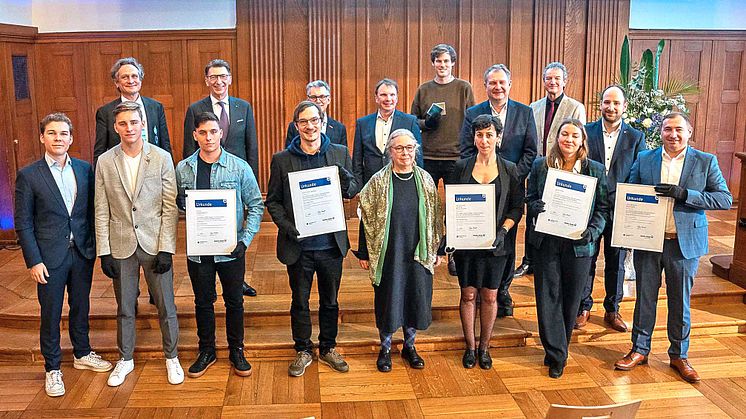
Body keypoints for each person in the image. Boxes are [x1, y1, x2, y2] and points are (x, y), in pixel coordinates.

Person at [614, 112, 732, 383]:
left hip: (683, 244)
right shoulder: (646, 159)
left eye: (679, 130)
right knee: (645, 298)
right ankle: (639, 349)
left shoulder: (705, 161)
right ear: (661, 132)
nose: (673, 135)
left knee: (680, 302)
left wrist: (686, 195)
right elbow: (629, 193)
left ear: (689, 132)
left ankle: (679, 355)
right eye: (668, 129)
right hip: (649, 242)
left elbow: (724, 199)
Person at [15, 113, 113, 397]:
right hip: (48, 257)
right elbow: (23, 222)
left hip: (81, 252)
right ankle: (52, 368)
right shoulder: (29, 175)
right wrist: (33, 260)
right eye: (53, 133)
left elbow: (94, 210)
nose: (59, 138)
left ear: (71, 138)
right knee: (51, 313)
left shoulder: (84, 169)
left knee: (81, 306)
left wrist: (94, 246)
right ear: (42, 137)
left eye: (64, 134)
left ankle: (82, 353)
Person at [266, 101, 360, 377]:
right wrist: (287, 225)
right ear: (296, 126)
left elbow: (352, 189)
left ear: (322, 121)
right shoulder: (282, 159)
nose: (310, 126)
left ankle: (328, 346)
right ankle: (303, 349)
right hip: (299, 246)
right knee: (300, 301)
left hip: (331, 244)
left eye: (314, 120)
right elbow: (273, 201)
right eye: (303, 121)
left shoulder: (339, 152)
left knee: (330, 300)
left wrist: (344, 178)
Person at [95, 101, 182, 387]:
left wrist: (167, 247)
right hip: (121, 246)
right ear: (115, 127)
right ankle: (126, 359)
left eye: (134, 122)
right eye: (123, 124)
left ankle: (171, 357)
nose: (129, 128)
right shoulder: (106, 161)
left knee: (166, 306)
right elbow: (101, 208)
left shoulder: (161, 158)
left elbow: (170, 206)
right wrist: (104, 251)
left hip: (156, 243)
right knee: (125, 307)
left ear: (143, 124)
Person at [176, 112, 264, 378]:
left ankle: (237, 349)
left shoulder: (239, 167)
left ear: (221, 133)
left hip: (230, 250)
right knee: (203, 302)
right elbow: (176, 204)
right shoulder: (183, 168)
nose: (208, 137)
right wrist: (181, 205)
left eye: (213, 132)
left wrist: (245, 240)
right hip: (199, 251)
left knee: (234, 301)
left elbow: (256, 205)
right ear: (195, 135)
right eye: (202, 132)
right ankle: (207, 350)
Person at [355, 129, 444, 373]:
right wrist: (364, 253)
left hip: (418, 250)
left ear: (415, 149)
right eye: (399, 148)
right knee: (389, 299)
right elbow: (366, 218)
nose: (405, 153)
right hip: (390, 251)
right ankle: (385, 349)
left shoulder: (425, 179)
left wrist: (438, 248)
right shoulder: (378, 181)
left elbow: (437, 216)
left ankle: (410, 346)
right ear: (390, 152)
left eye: (409, 148)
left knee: (414, 298)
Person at [526, 118, 609, 378]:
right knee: (547, 297)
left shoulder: (594, 169)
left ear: (582, 140)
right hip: (547, 243)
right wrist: (535, 206)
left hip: (579, 245)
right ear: (557, 137)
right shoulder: (542, 165)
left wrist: (592, 232)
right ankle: (557, 355)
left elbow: (603, 208)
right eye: (564, 134)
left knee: (571, 300)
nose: (569, 140)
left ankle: (557, 348)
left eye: (575, 135)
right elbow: (529, 198)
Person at [445, 115, 524, 370]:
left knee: (490, 297)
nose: (484, 140)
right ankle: (469, 347)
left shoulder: (510, 169)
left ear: (498, 137)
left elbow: (516, 208)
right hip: (468, 244)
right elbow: (452, 205)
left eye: (489, 135)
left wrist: (503, 231)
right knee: (468, 294)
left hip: (497, 245)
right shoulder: (461, 167)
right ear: (473, 137)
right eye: (480, 135)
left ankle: (485, 348)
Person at [458, 64, 538, 317]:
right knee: (476, 241)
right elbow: (465, 148)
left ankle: (501, 290)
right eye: (493, 83)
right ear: (486, 86)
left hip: (508, 188)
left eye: (502, 82)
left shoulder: (524, 113)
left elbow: (530, 151)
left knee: (506, 243)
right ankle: (477, 289)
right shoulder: (473, 112)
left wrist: (511, 177)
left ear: (510, 84)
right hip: (477, 187)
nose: (498, 87)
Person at [183, 58, 259, 297]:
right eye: (213, 76)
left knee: (234, 240)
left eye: (223, 76)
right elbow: (188, 149)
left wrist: (251, 179)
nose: (218, 81)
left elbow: (251, 146)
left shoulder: (243, 107)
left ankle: (237, 282)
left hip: (236, 180)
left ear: (230, 79)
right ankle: (209, 285)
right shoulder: (195, 108)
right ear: (207, 80)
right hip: (205, 183)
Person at [576, 85, 645, 331]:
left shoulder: (635, 137)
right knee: (588, 257)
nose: (611, 107)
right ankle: (583, 306)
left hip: (620, 208)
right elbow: (579, 163)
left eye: (616, 103)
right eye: (607, 102)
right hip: (590, 207)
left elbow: (638, 171)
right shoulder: (587, 131)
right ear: (601, 105)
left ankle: (612, 309)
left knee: (616, 261)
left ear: (624, 106)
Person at [411, 43, 475, 276]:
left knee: (455, 209)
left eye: (446, 61)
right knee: (426, 206)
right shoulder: (423, 90)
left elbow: (473, 119)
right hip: (427, 156)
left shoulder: (463, 88)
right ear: (433, 63)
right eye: (438, 61)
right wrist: (425, 123)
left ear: (453, 63)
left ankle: (453, 254)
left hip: (456, 157)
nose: (442, 65)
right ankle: (427, 250)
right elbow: (412, 121)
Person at [519, 62, 586, 278]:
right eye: (549, 78)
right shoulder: (534, 106)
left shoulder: (575, 107)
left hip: (563, 168)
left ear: (565, 81)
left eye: (557, 78)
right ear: (544, 81)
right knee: (533, 215)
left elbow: (577, 138)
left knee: (556, 212)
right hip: (538, 168)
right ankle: (528, 260)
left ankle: (550, 258)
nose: (553, 82)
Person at [93, 57, 171, 162]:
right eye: (125, 77)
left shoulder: (155, 107)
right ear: (117, 83)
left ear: (140, 80)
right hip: (121, 169)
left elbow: (165, 144)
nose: (131, 81)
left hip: (153, 166)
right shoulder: (105, 112)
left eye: (134, 76)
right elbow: (100, 151)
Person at [352, 78, 423, 186]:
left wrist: (418, 183)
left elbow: (418, 155)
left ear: (397, 97)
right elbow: (357, 159)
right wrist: (359, 186)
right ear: (376, 98)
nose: (388, 99)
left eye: (392, 95)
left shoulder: (410, 121)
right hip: (372, 183)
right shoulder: (363, 123)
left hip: (402, 182)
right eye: (383, 95)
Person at [284, 80, 347, 148]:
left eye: (322, 97)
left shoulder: (339, 128)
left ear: (328, 100)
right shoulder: (294, 126)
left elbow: (342, 156)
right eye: (313, 97)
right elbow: (289, 154)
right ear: (308, 100)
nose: (318, 101)